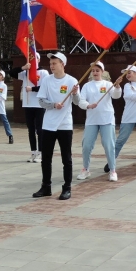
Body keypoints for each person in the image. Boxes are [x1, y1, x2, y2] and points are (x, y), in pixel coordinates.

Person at [33, 52, 79, 200]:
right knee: (46, 158)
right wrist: (53, 105)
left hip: (65, 124)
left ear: (62, 64)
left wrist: (76, 93)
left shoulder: (72, 81)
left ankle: (67, 188)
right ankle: (46, 186)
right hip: (49, 124)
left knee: (66, 158)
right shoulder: (47, 80)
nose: (52, 66)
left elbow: (77, 102)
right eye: (51, 64)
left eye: (55, 63)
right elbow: (41, 100)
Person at [77, 61, 122, 182]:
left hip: (106, 119)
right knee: (86, 145)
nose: (95, 72)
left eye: (97, 70)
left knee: (109, 145)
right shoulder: (87, 86)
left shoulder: (108, 84)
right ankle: (85, 169)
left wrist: (117, 86)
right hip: (92, 120)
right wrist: (88, 105)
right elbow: (81, 101)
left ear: (102, 72)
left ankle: (112, 170)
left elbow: (116, 96)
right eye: (93, 70)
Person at [9, 52, 49, 162]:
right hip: (28, 104)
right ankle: (33, 152)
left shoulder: (43, 72)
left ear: (39, 60)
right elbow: (11, 73)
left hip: (39, 104)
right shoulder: (25, 72)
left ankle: (41, 152)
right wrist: (23, 68)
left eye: (35, 58)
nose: (32, 60)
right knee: (30, 129)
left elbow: (46, 87)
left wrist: (32, 89)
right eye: (30, 58)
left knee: (40, 130)